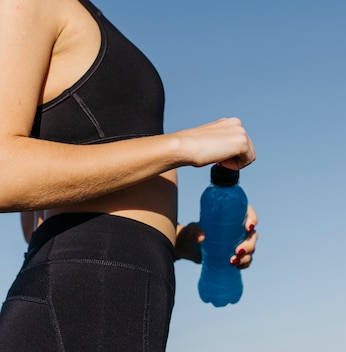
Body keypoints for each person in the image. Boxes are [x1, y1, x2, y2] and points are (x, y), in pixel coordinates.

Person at [0, 0, 259, 350]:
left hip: (113, 295)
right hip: (78, 299)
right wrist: (180, 147)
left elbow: (36, 221)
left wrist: (178, 240)